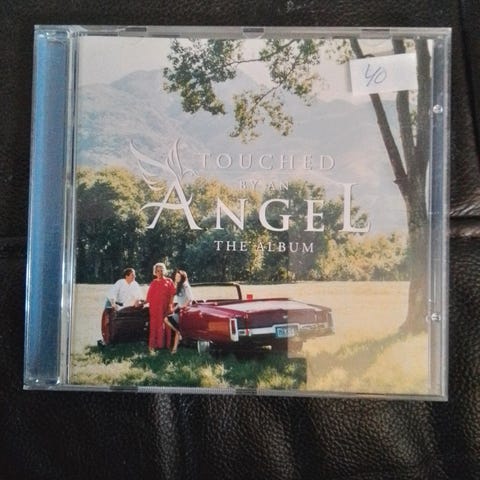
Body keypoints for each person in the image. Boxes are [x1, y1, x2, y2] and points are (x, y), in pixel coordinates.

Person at [146, 262, 176, 351]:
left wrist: (170, 305)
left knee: (167, 325)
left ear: (164, 271)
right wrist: (141, 303)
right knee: (154, 326)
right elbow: (149, 297)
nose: (160, 272)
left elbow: (172, 294)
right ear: (155, 272)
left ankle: (167, 344)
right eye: (158, 271)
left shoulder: (169, 281)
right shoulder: (153, 282)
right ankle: (155, 345)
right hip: (154, 308)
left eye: (161, 270)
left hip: (165, 306)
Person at [164, 269, 194, 354]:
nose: (176, 278)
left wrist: (183, 307)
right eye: (176, 276)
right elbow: (180, 301)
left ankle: (176, 345)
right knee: (176, 328)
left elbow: (190, 298)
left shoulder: (185, 285)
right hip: (180, 310)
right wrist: (174, 308)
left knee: (167, 320)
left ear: (182, 277)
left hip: (186, 311)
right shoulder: (179, 286)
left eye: (178, 277)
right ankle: (174, 349)